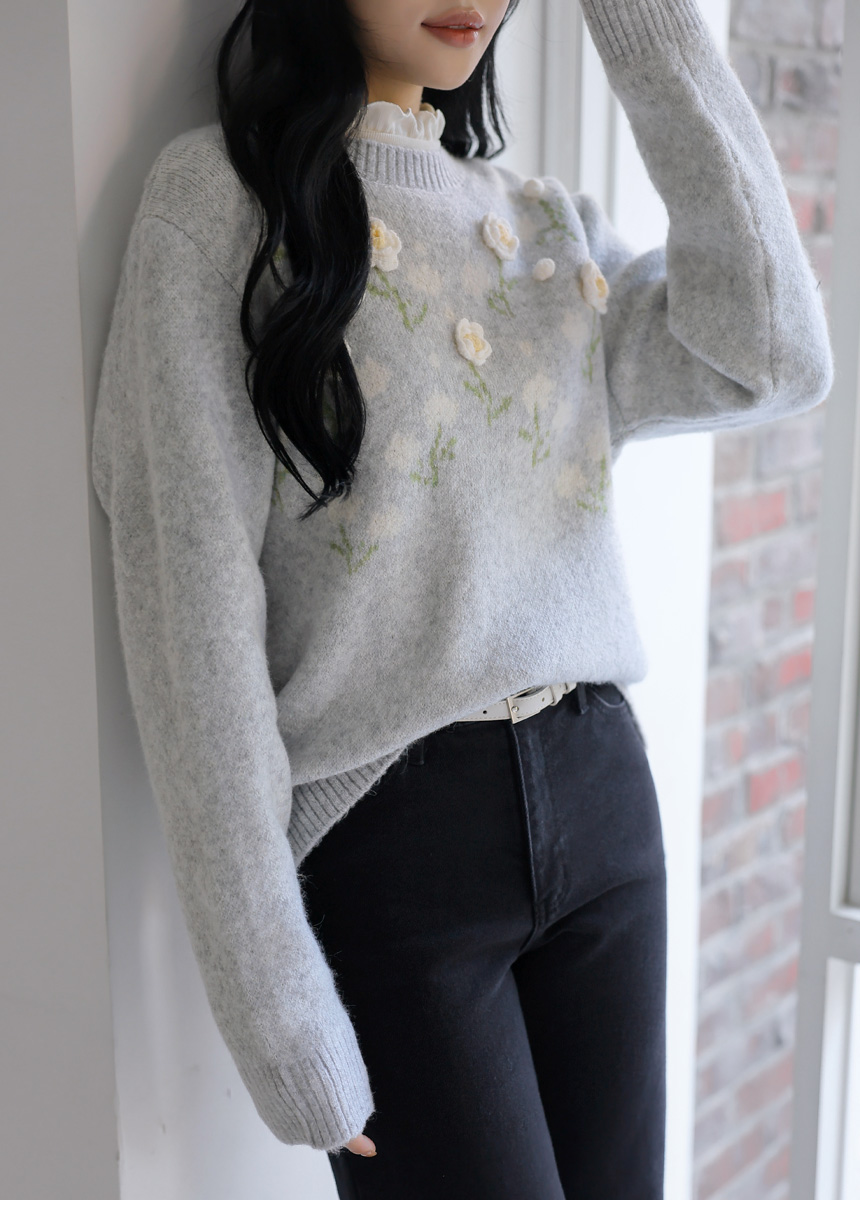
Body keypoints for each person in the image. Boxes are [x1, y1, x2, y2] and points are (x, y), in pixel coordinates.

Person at [90, 0, 833, 1200]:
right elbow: (190, 614)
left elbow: (773, 352)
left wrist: (642, 26)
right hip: (393, 851)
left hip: (603, 805)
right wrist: (275, 1008)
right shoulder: (220, 206)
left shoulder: (539, 225)